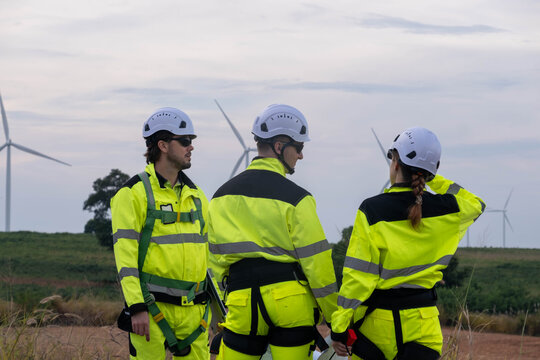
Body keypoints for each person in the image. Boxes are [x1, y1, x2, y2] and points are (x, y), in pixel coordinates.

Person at [331, 127, 485, 360]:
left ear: (395, 162)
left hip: (377, 329)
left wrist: (340, 326)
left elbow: (358, 277)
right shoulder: (449, 210)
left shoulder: (372, 210)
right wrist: (432, 178)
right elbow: (476, 204)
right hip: (424, 327)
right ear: (431, 172)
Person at [208, 104, 338, 360]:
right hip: (291, 305)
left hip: (241, 304)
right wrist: (336, 320)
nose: (300, 156)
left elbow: (213, 264)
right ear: (279, 146)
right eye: (299, 147)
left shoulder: (219, 198)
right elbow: (318, 267)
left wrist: (227, 306)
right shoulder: (298, 199)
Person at [111, 107, 210, 360]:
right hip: (151, 311)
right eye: (185, 141)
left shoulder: (197, 197)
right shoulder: (132, 194)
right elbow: (126, 259)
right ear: (163, 145)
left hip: (195, 314)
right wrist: (136, 307)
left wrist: (217, 309)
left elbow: (212, 256)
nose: (191, 147)